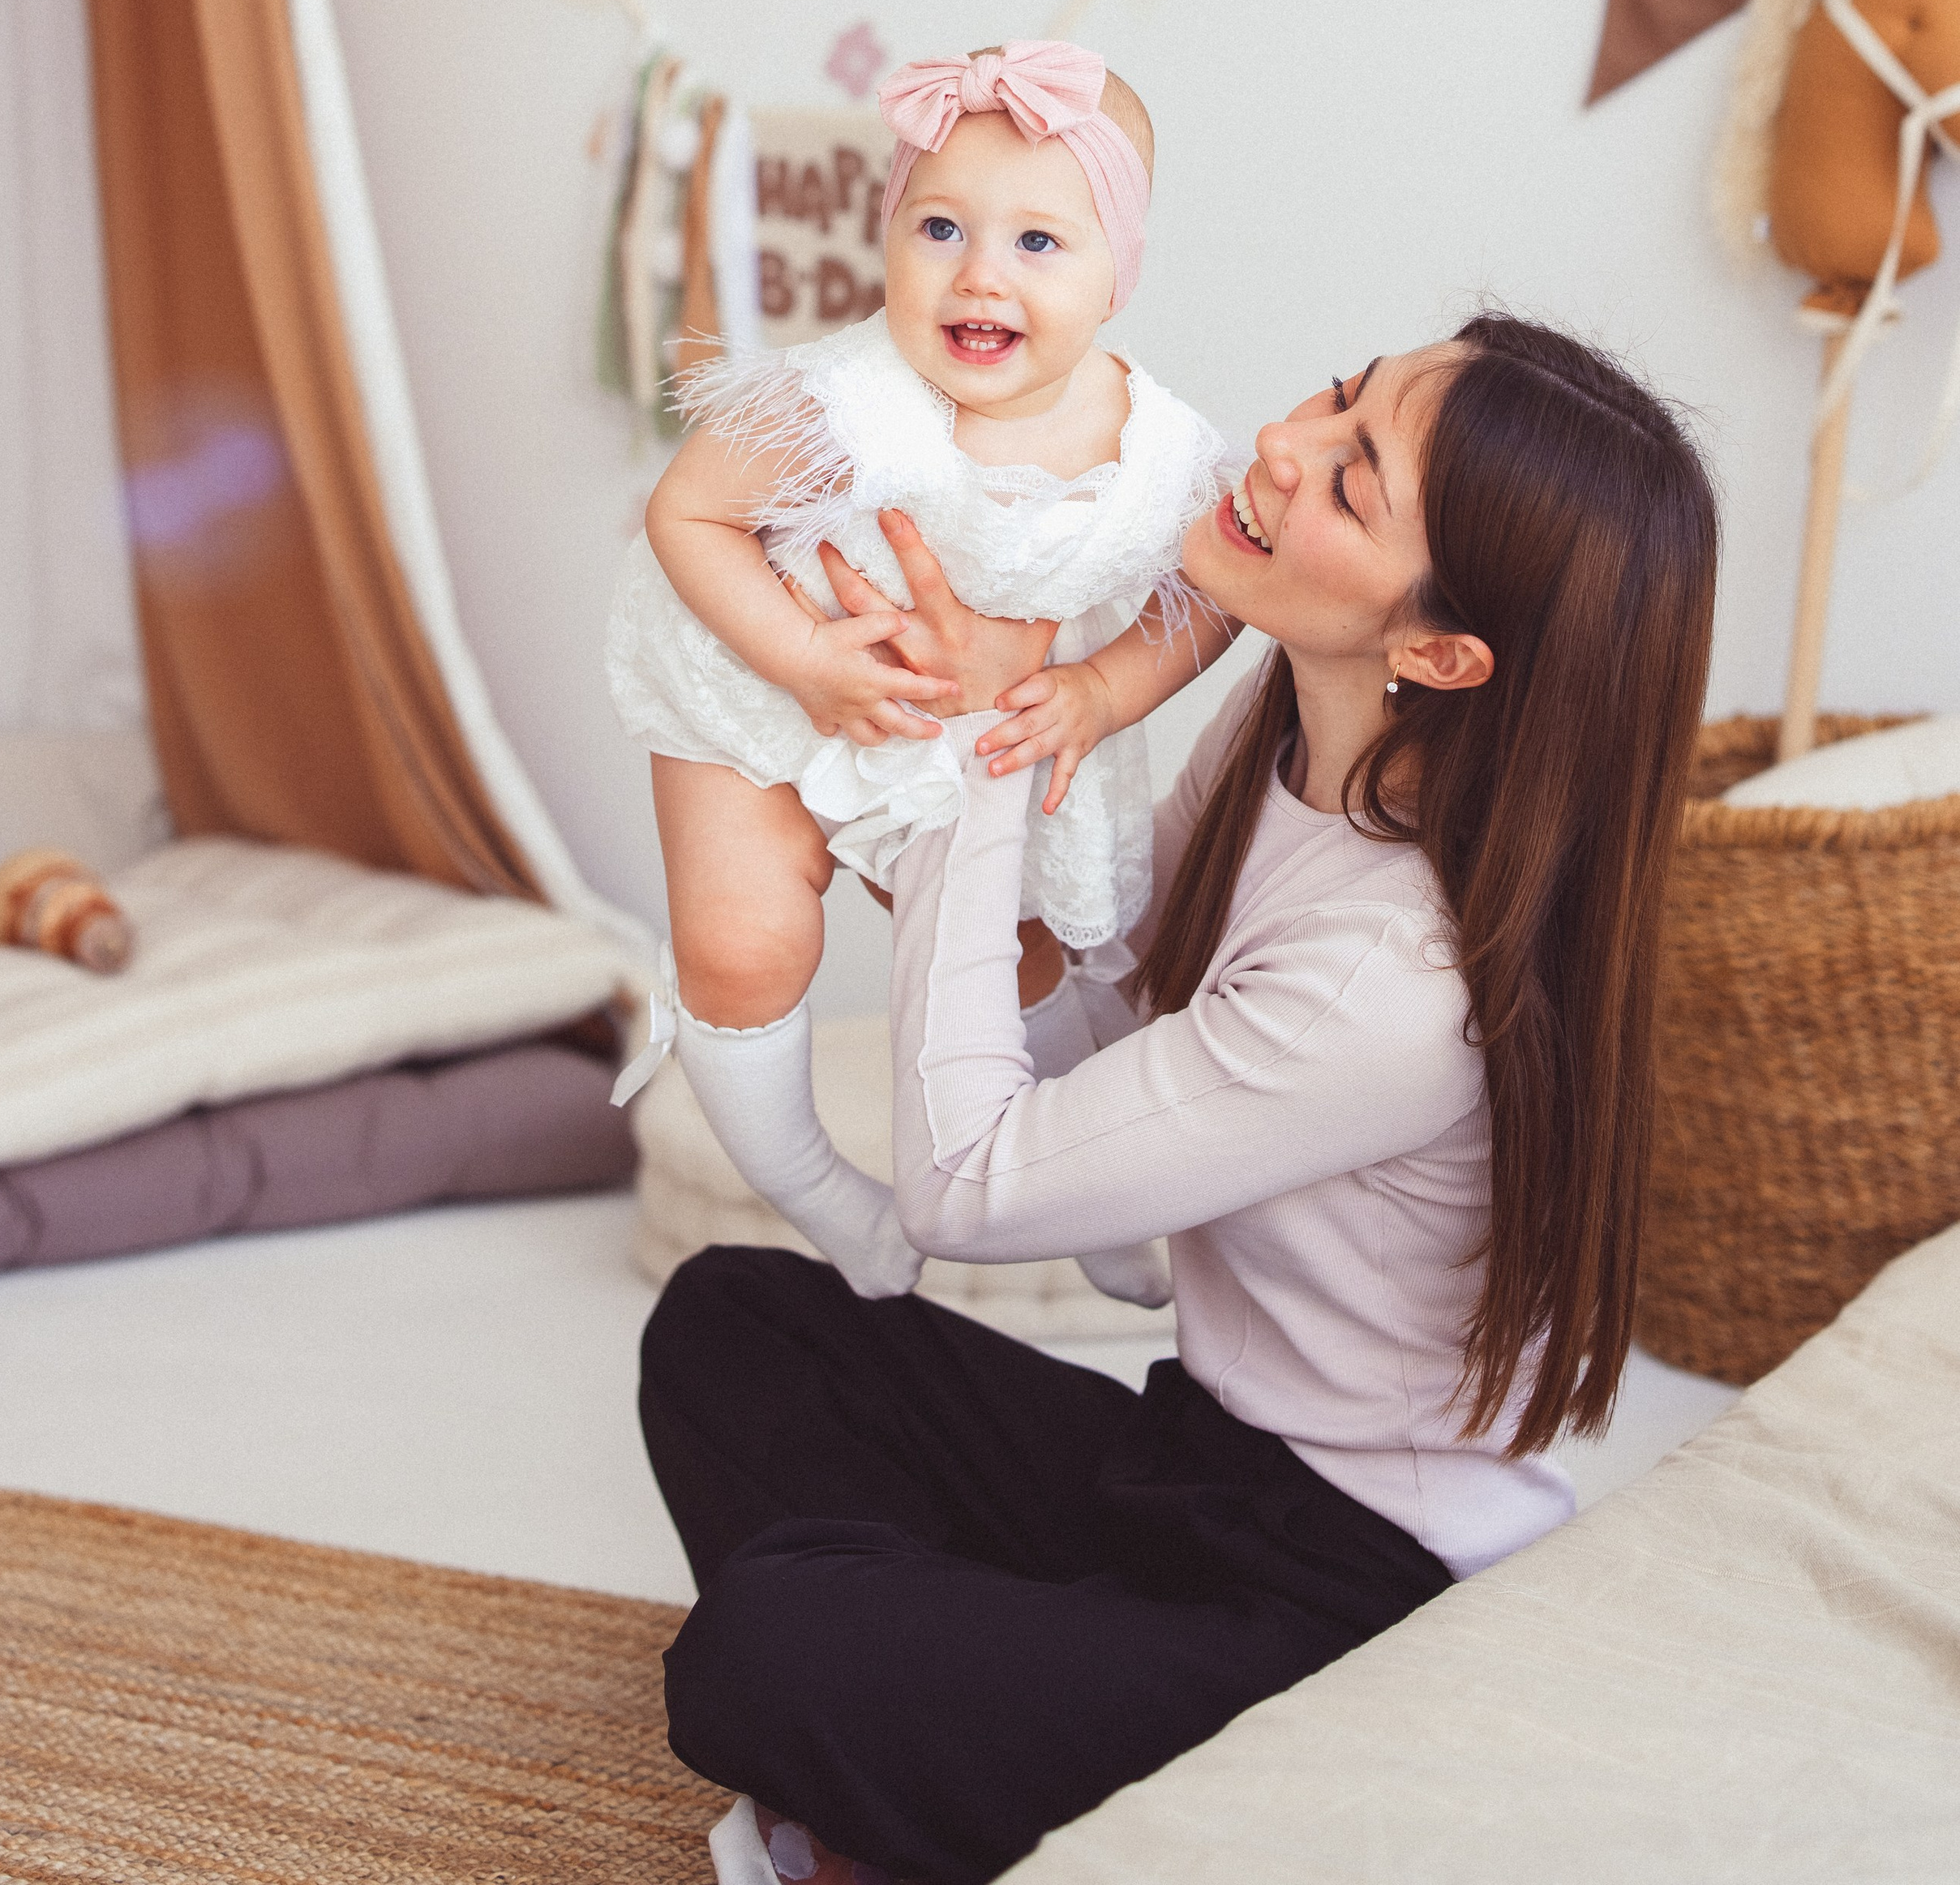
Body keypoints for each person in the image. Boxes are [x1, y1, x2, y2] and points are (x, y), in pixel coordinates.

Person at [640, 316, 1719, 1885]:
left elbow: (966, 1187)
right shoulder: (1288, 736)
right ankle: (962, 1750)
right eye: (1343, 393)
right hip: (1202, 1468)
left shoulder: (1395, 985)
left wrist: (977, 759)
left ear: (1440, 650)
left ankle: (939, 1745)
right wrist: (953, 853)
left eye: (1357, 482)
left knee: (767, 1647)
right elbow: (1119, 1071)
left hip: (1352, 1608)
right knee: (739, 1322)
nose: (1286, 446)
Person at [607, 41, 1229, 1302]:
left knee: (1020, 955)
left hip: (951, 718)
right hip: (763, 683)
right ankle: (825, 1196)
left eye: (1040, 243)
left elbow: (1215, 597)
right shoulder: (846, 400)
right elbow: (687, 516)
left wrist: (1106, 687)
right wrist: (801, 656)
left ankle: (1091, 1191)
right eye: (937, 225)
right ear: (885, 235)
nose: (978, 274)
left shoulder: (1158, 449)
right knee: (739, 945)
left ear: (1122, 276)